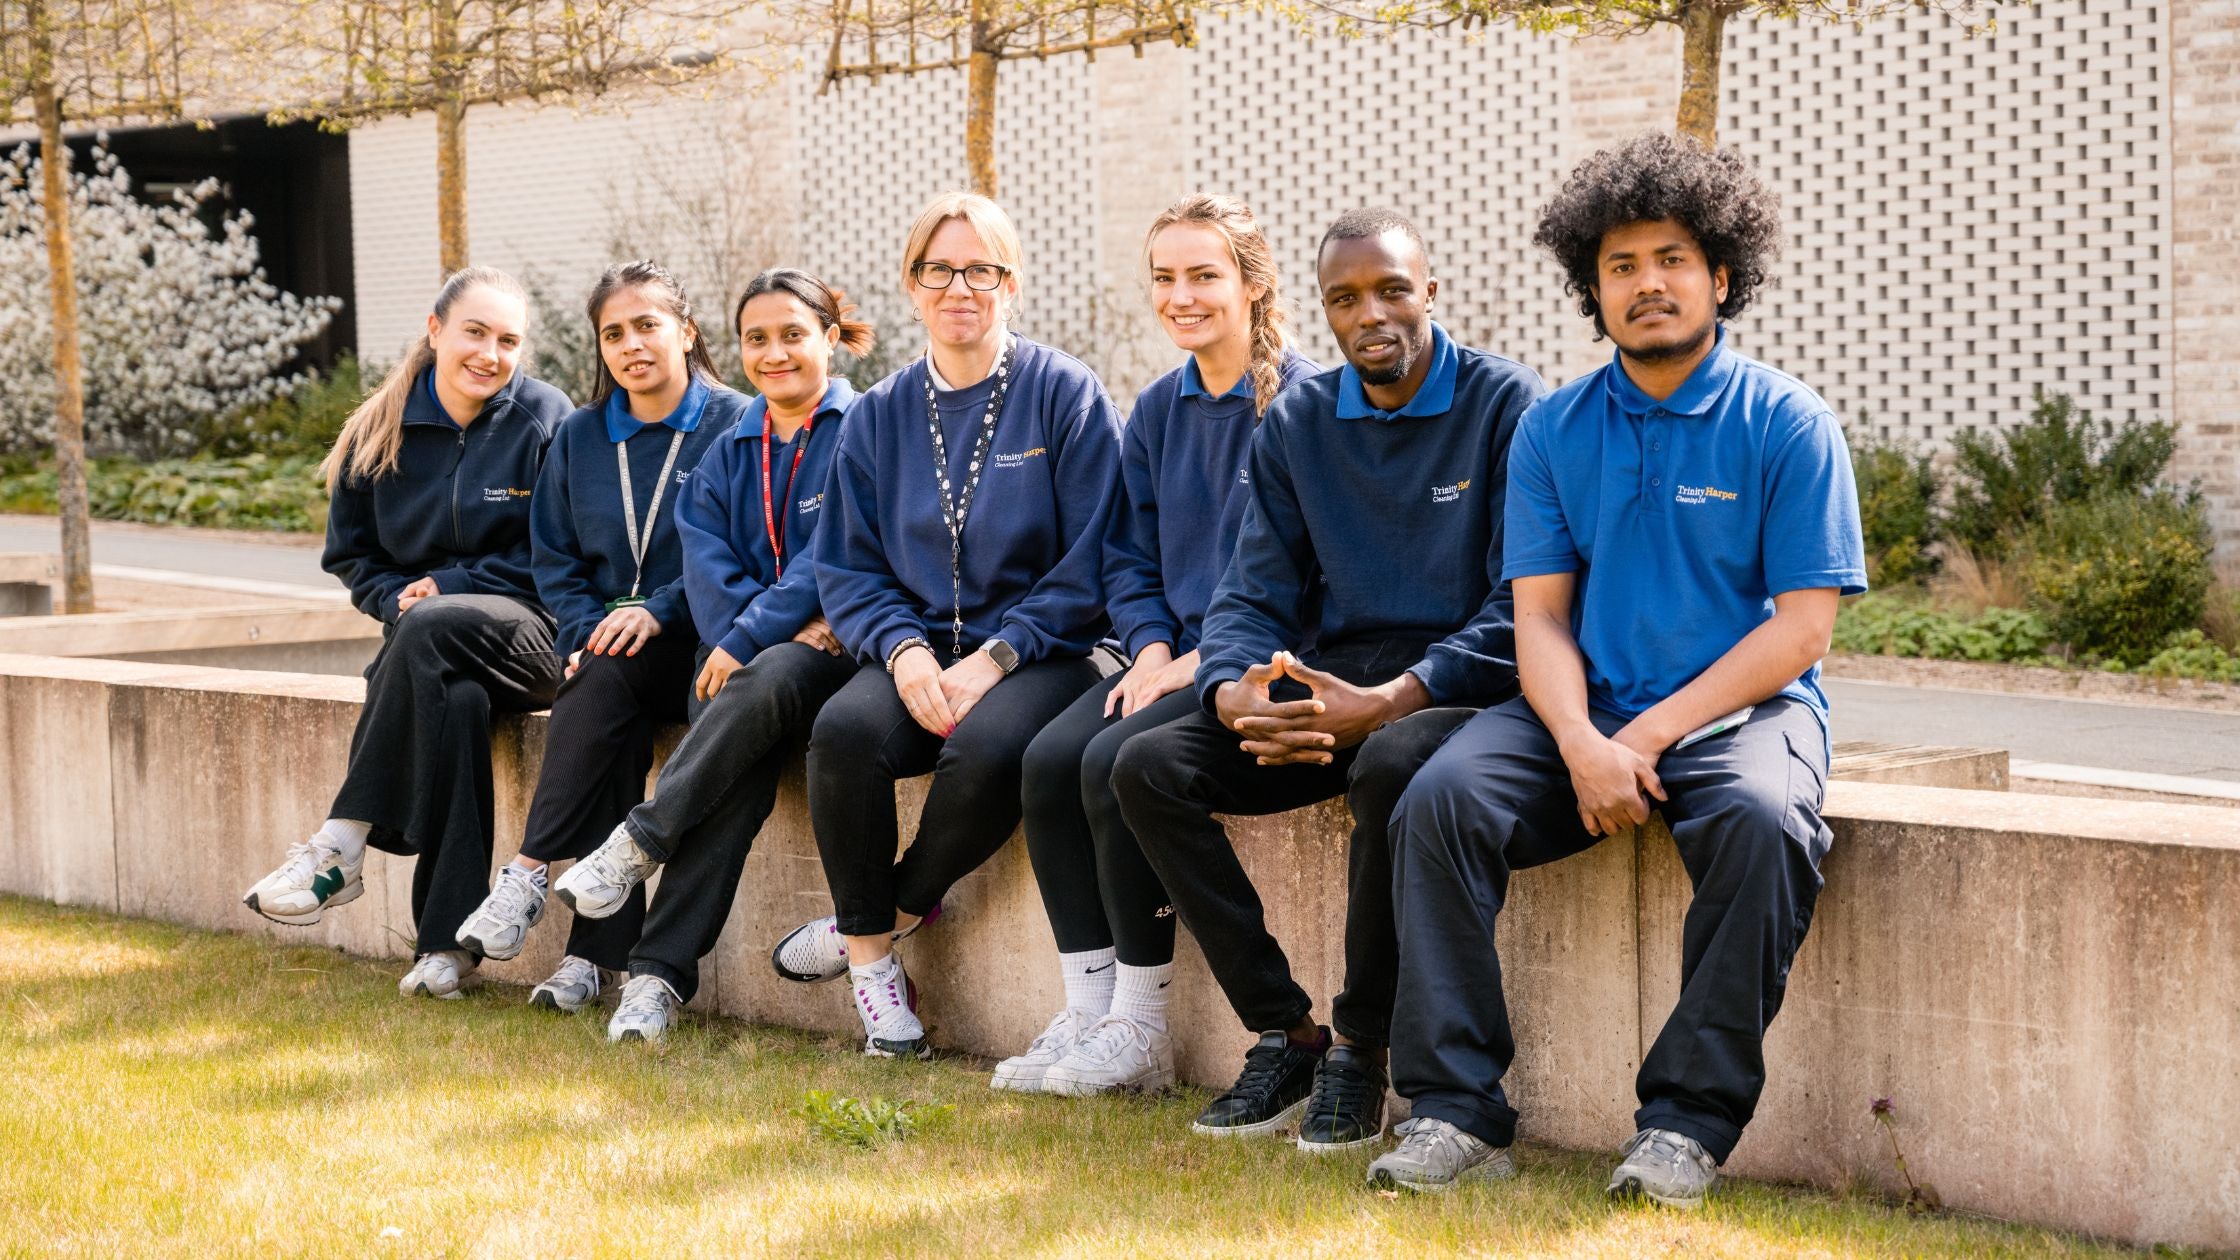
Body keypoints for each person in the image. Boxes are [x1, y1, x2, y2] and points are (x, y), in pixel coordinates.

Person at [1369, 134, 1865, 1204]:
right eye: (1621, 266)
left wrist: (1636, 741)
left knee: (1765, 825)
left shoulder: (1787, 422)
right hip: (1581, 707)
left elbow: (1800, 632)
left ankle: (1684, 1126)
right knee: (1438, 802)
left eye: (1672, 259)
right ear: (1590, 291)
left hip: (1741, 714)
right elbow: (1539, 617)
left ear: (1720, 274)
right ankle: (1457, 1111)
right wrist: (1580, 740)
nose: (1648, 284)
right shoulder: (1553, 429)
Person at [1111, 209, 1545, 1150]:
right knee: (1148, 767)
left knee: (1387, 765)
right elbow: (1250, 589)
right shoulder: (1301, 421)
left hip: (1459, 691)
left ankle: (1360, 1047)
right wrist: (1230, 687)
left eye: (1392, 290)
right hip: (1337, 685)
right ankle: (1287, 1032)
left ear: (1430, 291)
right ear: (1323, 310)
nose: (1370, 315)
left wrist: (1391, 701)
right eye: (1345, 299)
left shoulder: (1505, 404)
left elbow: (1524, 607)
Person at [767, 192, 1122, 1062]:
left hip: (1047, 650)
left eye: (981, 270)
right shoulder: (880, 414)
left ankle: (874, 921)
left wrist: (997, 655)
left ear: (1012, 283)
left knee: (989, 749)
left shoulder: (1064, 393)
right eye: (939, 270)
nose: (959, 288)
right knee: (844, 732)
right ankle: (876, 977)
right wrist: (903, 650)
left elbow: (1094, 558)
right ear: (911, 284)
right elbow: (847, 566)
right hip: (919, 646)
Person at [995, 193, 1318, 1095]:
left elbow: (1306, 576)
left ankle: (1141, 1027)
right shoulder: (1159, 409)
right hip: (1167, 658)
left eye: (1203, 276)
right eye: (1164, 277)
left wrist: (1193, 661)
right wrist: (1145, 649)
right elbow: (1127, 558)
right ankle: (1087, 1010)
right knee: (1047, 760)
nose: (1181, 296)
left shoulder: (1303, 406)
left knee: (1111, 762)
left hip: (1257, 662)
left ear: (1253, 286)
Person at [541, 268, 873, 1043]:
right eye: (757, 338)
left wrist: (754, 636)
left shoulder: (865, 429)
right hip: (739, 663)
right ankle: (653, 981)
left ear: (829, 339)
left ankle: (642, 838)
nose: (774, 353)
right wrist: (744, 636)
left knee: (775, 671)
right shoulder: (729, 449)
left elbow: (833, 555)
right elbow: (706, 566)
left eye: (792, 335)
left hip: (840, 653)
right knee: (733, 777)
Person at [241, 267, 573, 999]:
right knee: (455, 702)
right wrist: (397, 601)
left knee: (427, 628)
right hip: (429, 646)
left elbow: (561, 553)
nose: (490, 353)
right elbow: (353, 558)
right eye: (475, 333)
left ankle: (342, 842)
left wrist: (450, 586)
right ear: (435, 330)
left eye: (508, 340)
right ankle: (445, 949)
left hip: (537, 638)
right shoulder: (377, 428)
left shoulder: (544, 418)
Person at [446, 260, 735, 1010]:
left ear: (686, 332)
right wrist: (581, 631)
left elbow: (734, 550)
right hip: (613, 652)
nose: (631, 344)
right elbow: (555, 556)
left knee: (617, 681)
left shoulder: (734, 423)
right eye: (614, 333)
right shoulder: (579, 435)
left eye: (647, 326)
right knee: (600, 682)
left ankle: (552, 896)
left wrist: (660, 608)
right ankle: (572, 936)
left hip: (707, 642)